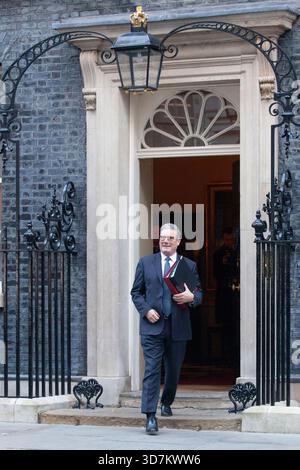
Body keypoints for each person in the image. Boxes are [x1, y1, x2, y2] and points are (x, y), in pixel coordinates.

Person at [131, 223, 203, 435]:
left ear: (178, 241)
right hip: (152, 326)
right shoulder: (146, 263)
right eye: (163, 237)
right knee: (152, 370)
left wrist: (192, 298)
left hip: (178, 326)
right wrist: (145, 311)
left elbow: (198, 294)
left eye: (170, 238)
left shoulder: (188, 265)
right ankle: (150, 416)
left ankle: (167, 401)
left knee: (173, 370)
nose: (165, 241)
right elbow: (136, 293)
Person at [213, 228, 239, 363]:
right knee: (225, 326)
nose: (229, 242)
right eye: (227, 240)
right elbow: (216, 273)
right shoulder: (218, 254)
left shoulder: (236, 253)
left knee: (234, 326)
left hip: (235, 296)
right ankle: (225, 357)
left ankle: (233, 357)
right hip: (224, 294)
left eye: (231, 240)